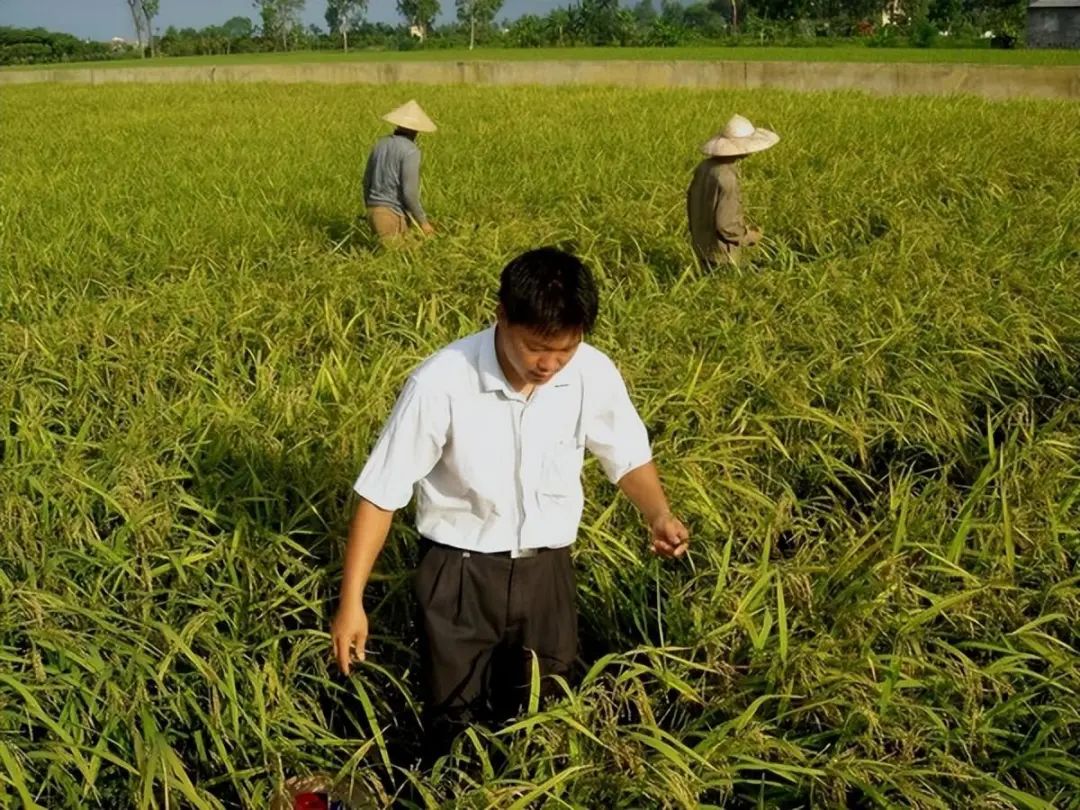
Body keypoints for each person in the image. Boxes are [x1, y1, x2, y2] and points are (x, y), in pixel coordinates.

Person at [330, 247, 690, 761]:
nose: (550, 364)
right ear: (501, 316)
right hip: (458, 576)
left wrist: (658, 512)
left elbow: (626, 454)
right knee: (455, 713)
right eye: (537, 348)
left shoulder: (591, 372)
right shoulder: (441, 383)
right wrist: (351, 603)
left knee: (550, 708)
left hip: (548, 575)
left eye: (564, 350)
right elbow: (380, 493)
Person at [687, 114, 779, 268]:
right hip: (721, 253)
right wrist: (749, 235)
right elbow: (726, 226)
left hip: (700, 244)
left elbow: (691, 202)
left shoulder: (704, 167)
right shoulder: (726, 177)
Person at [362, 100, 437, 242]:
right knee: (407, 259)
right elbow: (409, 193)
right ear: (416, 130)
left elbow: (366, 182)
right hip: (391, 215)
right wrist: (423, 222)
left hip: (373, 212)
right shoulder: (410, 150)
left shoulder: (380, 144)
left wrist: (370, 208)